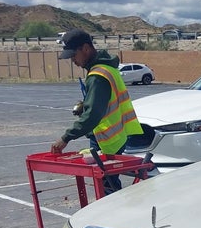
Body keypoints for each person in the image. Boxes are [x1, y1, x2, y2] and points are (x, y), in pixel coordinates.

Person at [51, 29, 144, 192]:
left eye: (74, 55)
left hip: (107, 138)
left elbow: (93, 114)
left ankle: (112, 217)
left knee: (107, 188)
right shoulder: (107, 68)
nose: (73, 60)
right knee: (110, 184)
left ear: (86, 48)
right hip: (116, 135)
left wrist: (66, 138)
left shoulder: (98, 75)